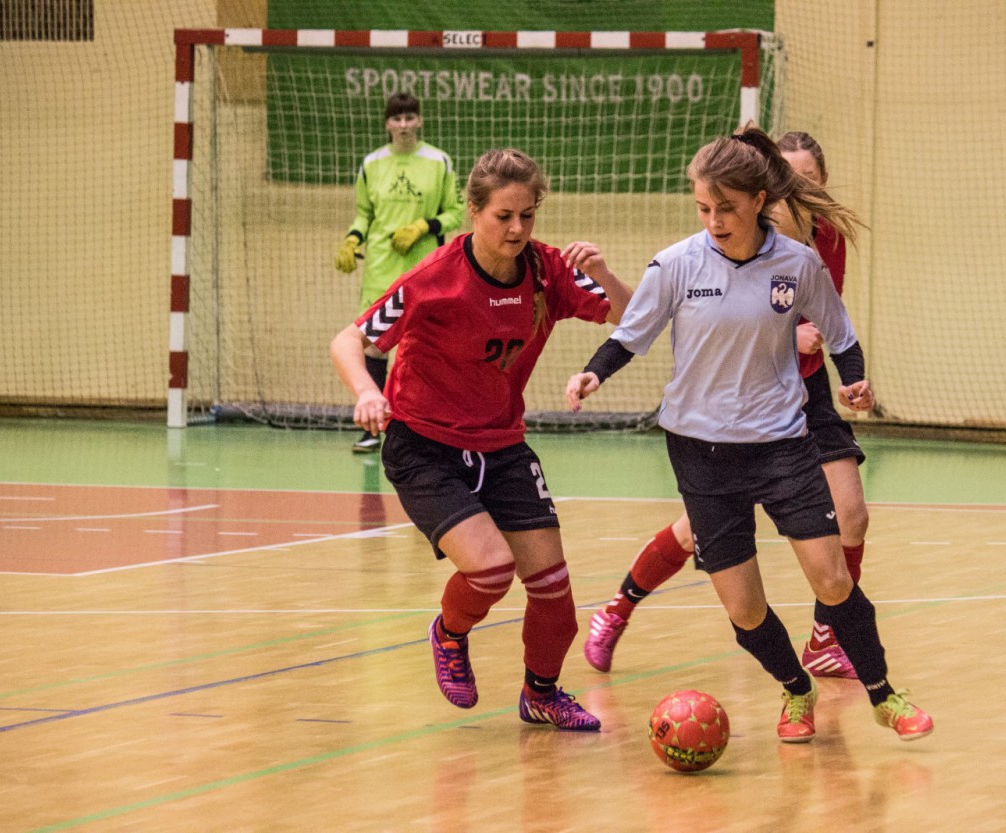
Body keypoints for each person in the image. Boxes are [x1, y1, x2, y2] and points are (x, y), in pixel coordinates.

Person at [565, 127, 932, 743]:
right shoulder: (676, 263)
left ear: (760, 200)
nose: (714, 221)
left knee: (833, 578)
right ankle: (796, 688)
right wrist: (592, 373)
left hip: (782, 444)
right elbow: (631, 334)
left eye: (726, 208)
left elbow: (841, 336)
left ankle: (884, 696)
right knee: (745, 608)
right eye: (703, 207)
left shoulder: (799, 263)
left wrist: (855, 382)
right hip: (699, 453)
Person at [331, 148, 633, 732]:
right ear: (473, 211)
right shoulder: (435, 278)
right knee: (492, 570)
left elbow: (635, 316)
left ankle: (541, 694)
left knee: (555, 593)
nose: (517, 229)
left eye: (528, 215)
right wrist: (366, 392)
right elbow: (348, 340)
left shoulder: (547, 269)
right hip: (425, 446)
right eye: (503, 216)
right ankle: (449, 634)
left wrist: (602, 274)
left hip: (502, 444)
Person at [334, 92, 465, 453]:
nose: (404, 125)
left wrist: (423, 226)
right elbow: (364, 214)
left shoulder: (438, 161)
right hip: (381, 269)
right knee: (375, 347)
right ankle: (372, 428)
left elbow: (455, 212)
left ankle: (432, 429)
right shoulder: (372, 163)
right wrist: (352, 239)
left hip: (426, 271)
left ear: (420, 121)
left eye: (410, 118)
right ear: (387, 124)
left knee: (428, 347)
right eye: (397, 118)